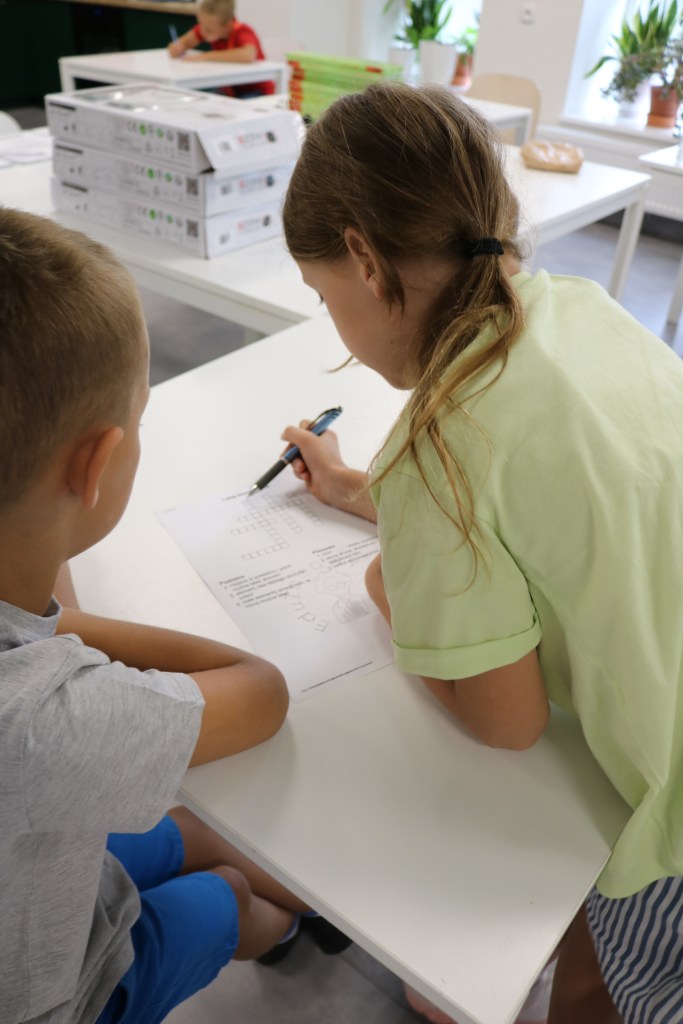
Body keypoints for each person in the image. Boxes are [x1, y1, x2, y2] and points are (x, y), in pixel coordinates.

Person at [277, 82, 683, 1024]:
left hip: (670, 829)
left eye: (322, 297)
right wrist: (359, 490)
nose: (332, 324)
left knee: (610, 991)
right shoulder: (579, 308)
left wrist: (390, 588)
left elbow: (508, 722)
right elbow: (546, 497)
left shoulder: (438, 447)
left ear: (365, 263)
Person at [0, 208, 317, 1024]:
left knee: (191, 831)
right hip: (55, 996)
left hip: (30, 870)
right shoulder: (49, 721)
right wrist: (63, 633)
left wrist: (53, 600)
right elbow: (261, 691)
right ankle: (284, 930)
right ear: (96, 465)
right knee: (226, 893)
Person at [167, 0, 275, 98]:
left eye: (208, 29)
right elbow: (182, 44)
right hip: (230, 91)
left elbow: (248, 55)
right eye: (200, 24)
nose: (202, 31)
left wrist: (204, 56)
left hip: (257, 91)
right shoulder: (208, 30)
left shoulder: (243, 31)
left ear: (227, 26)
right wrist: (176, 48)